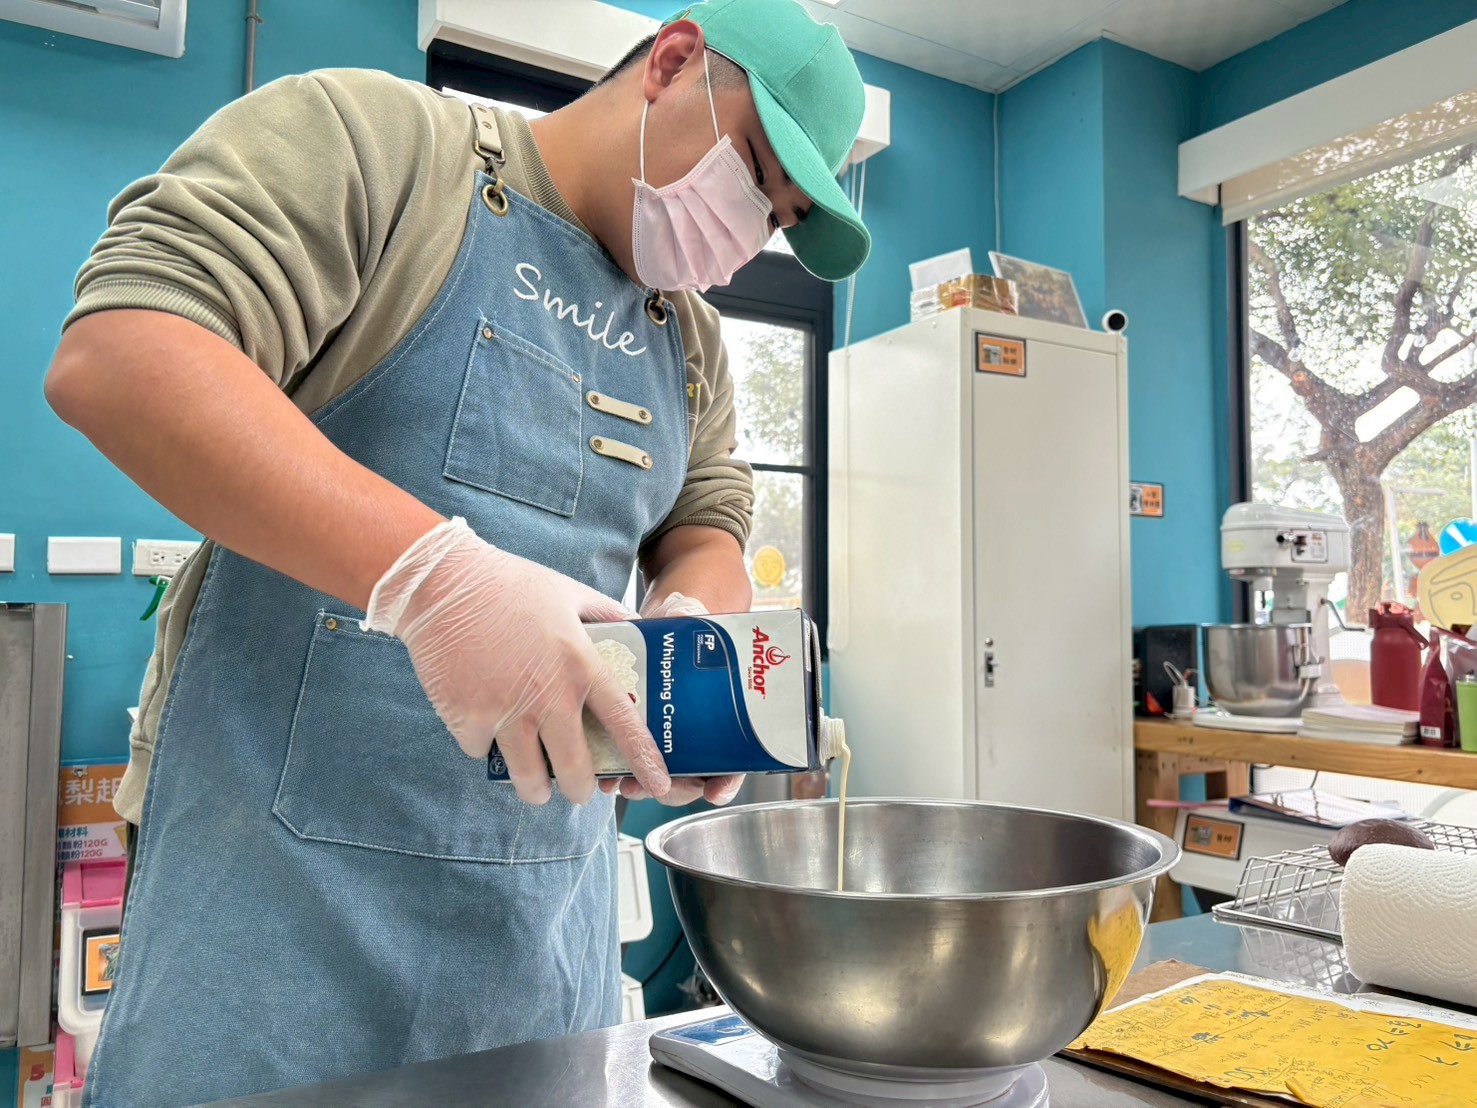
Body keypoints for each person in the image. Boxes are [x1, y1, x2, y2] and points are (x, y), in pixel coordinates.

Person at [44, 0, 869, 1102]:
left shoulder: (690, 343)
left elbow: (707, 521)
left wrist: (691, 631)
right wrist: (434, 580)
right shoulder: (383, 150)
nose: (744, 230)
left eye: (775, 219)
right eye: (753, 174)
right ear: (671, 61)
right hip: (267, 949)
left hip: (539, 961)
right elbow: (123, 351)